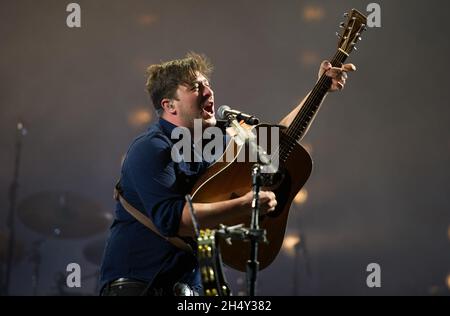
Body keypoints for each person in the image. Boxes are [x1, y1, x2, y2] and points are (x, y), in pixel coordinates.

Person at [99, 52, 355, 296]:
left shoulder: (216, 142)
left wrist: (319, 90)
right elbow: (173, 219)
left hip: (190, 289)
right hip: (141, 286)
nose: (209, 92)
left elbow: (279, 142)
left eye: (207, 85)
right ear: (169, 105)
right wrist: (246, 205)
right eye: (195, 87)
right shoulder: (152, 148)